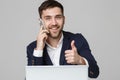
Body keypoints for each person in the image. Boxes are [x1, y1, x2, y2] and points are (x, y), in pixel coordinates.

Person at [26, 0, 99, 78]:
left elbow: (94, 73)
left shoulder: (78, 40)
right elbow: (33, 77)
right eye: (48, 18)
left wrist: (80, 60)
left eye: (58, 17)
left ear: (64, 19)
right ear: (41, 22)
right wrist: (39, 50)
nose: (54, 23)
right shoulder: (32, 48)